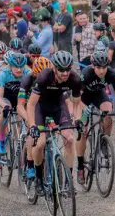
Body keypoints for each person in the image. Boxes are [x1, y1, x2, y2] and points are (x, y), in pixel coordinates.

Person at [27, 51, 82, 194]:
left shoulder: (75, 79)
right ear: (54, 68)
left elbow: (77, 104)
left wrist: (77, 120)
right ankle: (38, 178)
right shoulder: (44, 76)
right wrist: (32, 125)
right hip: (40, 107)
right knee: (40, 143)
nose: (65, 73)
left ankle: (68, 182)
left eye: (67, 69)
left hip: (58, 106)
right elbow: (31, 104)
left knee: (69, 139)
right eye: (61, 70)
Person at [74, 51, 115, 184]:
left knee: (108, 112)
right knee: (82, 131)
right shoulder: (85, 74)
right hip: (83, 98)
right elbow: (76, 98)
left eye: (104, 67)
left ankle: (104, 140)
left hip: (99, 95)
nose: (102, 71)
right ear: (93, 66)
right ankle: (80, 167)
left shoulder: (112, 74)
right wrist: (83, 111)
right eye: (99, 68)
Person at [0, 52, 29, 156]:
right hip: (7, 98)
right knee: (4, 112)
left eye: (21, 67)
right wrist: (4, 105)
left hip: (21, 99)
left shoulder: (28, 73)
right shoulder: (3, 74)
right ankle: (1, 139)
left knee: (24, 117)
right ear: (10, 65)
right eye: (15, 67)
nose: (19, 70)